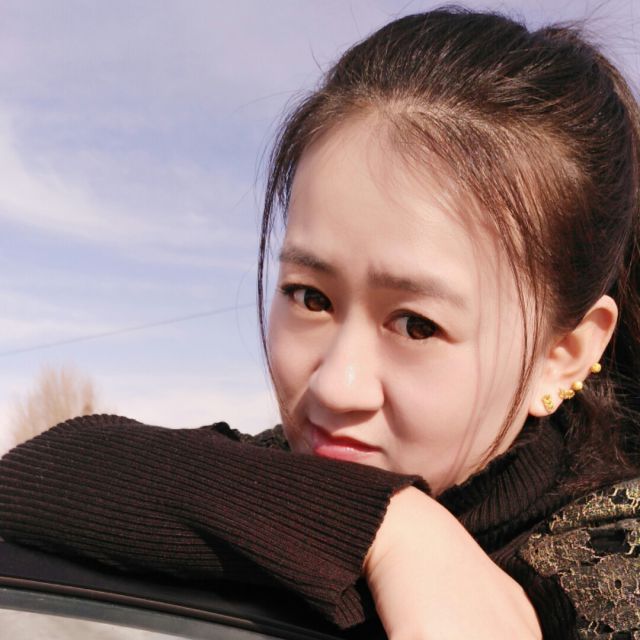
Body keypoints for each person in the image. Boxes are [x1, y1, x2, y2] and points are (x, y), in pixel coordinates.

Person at [0, 7, 639, 639]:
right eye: (310, 297)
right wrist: (391, 526)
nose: (336, 386)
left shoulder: (609, 570)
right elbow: (44, 473)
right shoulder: (280, 481)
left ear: (563, 354)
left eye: (416, 325)